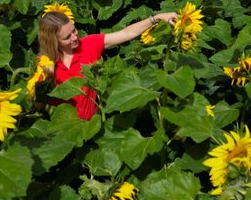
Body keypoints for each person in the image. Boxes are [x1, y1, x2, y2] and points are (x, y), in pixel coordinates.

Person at [37, 9, 177, 120]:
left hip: (95, 122)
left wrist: (156, 18)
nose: (75, 37)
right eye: (67, 37)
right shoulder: (44, 65)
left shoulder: (88, 45)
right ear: (53, 41)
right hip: (64, 131)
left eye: (74, 30)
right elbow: (39, 105)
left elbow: (127, 33)